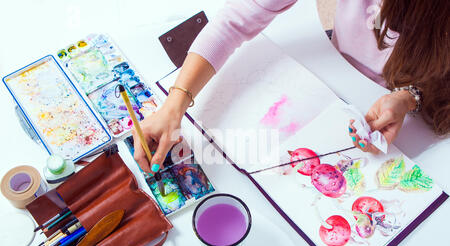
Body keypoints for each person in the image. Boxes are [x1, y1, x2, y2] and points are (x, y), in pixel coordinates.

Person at [133, 0, 449, 174]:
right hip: (332, 77)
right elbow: (237, 19)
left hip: (428, 114)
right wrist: (174, 105)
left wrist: (410, 96)